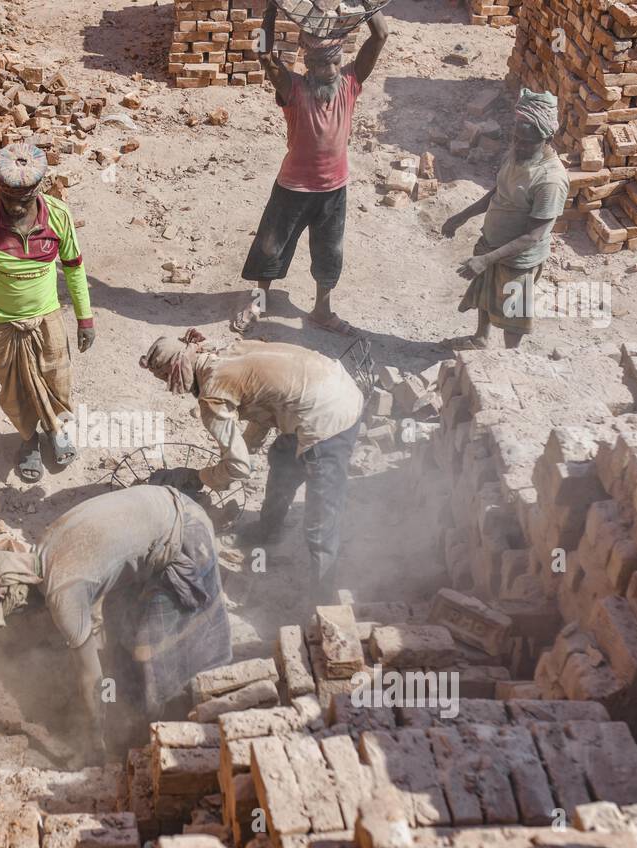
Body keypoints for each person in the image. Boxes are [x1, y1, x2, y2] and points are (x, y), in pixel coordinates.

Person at [0, 485, 232, 762]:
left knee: (156, 652)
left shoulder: (63, 593)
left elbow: (91, 678)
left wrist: (95, 741)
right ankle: (137, 706)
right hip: (169, 506)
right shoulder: (44, 547)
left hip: (184, 538)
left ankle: (166, 730)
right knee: (121, 627)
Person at [140, 331, 363, 602]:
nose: (168, 386)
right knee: (282, 456)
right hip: (332, 382)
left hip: (331, 417)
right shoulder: (228, 352)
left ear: (174, 372)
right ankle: (267, 530)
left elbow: (238, 468)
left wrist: (200, 477)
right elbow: (264, 400)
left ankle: (323, 602)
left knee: (320, 521)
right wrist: (246, 446)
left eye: (165, 378)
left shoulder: (212, 394)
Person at [232, 5, 389, 337]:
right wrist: (272, 10)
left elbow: (381, 35)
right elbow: (264, 53)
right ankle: (259, 301)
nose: (330, 70)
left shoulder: (350, 82)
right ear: (308, 67)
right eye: (321, 64)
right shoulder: (294, 89)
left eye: (334, 62)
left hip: (334, 189)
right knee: (270, 248)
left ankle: (322, 309)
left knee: (329, 252)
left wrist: (369, 6)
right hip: (293, 186)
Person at [0, 143, 96, 482]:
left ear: (38, 190)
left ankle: (56, 430)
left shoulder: (59, 216)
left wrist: (85, 318)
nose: (16, 207)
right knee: (14, 388)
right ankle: (28, 441)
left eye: (24, 199)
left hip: (46, 317)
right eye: (9, 199)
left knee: (57, 379)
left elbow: (75, 269)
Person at [442, 88, 569, 349]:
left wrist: (486, 260)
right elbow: (498, 191)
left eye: (527, 141)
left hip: (517, 260)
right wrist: (462, 216)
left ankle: (510, 358)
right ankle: (480, 339)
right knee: (486, 295)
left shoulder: (550, 180)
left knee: (514, 314)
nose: (519, 145)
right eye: (517, 138)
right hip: (491, 244)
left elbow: (534, 237)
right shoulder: (517, 153)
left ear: (547, 137)